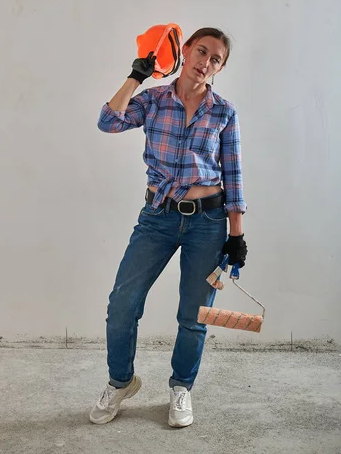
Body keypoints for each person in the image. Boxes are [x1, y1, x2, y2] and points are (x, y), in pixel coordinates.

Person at [90, 27, 248, 428]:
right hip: (158, 217)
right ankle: (120, 382)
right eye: (201, 51)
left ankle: (181, 388)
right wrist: (137, 75)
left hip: (209, 222)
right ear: (185, 52)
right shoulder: (155, 100)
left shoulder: (223, 111)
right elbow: (108, 122)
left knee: (194, 315)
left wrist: (237, 234)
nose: (205, 62)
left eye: (215, 59)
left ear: (220, 68)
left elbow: (234, 174)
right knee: (122, 304)